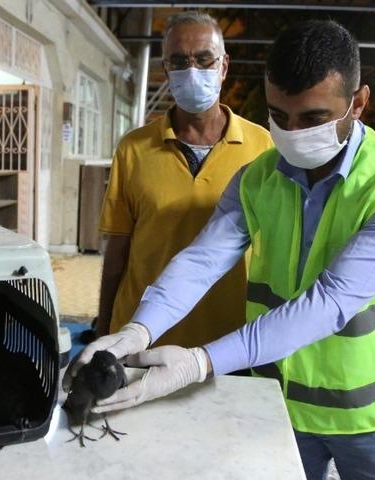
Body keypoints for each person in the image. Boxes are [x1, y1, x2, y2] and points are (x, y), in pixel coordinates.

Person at [68, 20, 375, 480]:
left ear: (357, 103)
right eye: (279, 116)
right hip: (277, 401)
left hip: (371, 417)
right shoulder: (258, 178)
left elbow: (330, 301)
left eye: (313, 118)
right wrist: (140, 330)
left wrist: (200, 363)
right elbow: (203, 260)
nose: (292, 133)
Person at [94, 11, 273, 347]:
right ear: (166, 70)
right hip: (144, 335)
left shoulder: (262, 146)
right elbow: (117, 252)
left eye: (204, 60)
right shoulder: (134, 148)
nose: (192, 71)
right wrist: (104, 331)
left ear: (223, 66)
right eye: (179, 61)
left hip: (228, 340)